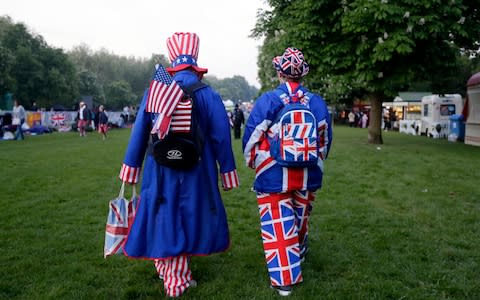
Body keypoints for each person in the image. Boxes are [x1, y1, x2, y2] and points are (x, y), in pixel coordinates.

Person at [119, 32, 239, 298]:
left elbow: (140, 130)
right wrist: (228, 172)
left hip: (159, 167)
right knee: (188, 216)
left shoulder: (155, 89)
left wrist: (130, 166)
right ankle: (177, 281)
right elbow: (221, 136)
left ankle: (168, 267)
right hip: (197, 168)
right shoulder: (208, 93)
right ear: (195, 58)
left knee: (163, 215)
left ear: (173, 58)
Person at [242, 47, 333, 296]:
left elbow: (251, 136)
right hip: (309, 173)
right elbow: (324, 141)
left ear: (280, 74)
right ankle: (299, 253)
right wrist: (316, 159)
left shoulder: (269, 100)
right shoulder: (316, 102)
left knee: (278, 223)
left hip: (273, 173)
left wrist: (254, 162)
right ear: (302, 75)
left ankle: (285, 280)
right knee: (299, 219)